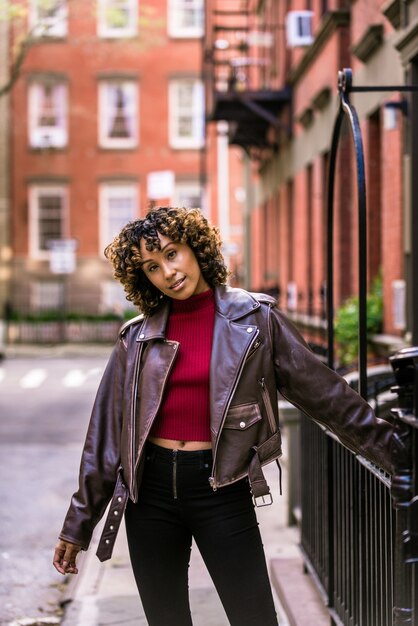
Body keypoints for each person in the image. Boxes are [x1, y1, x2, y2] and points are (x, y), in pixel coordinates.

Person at [53, 206, 407, 626]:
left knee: (254, 617)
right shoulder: (137, 338)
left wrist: (399, 455)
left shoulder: (255, 319)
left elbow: (326, 394)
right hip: (149, 498)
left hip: (220, 489)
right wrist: (78, 525)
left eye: (172, 254)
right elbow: (106, 438)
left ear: (195, 249)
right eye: (151, 266)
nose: (167, 271)